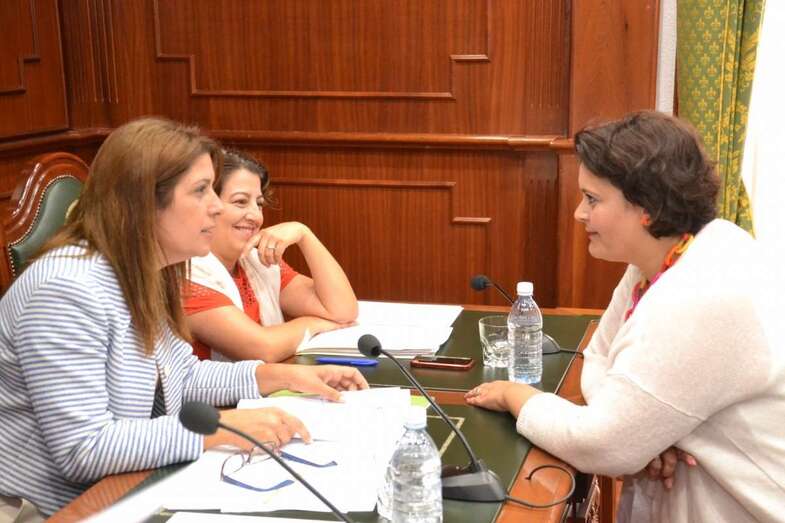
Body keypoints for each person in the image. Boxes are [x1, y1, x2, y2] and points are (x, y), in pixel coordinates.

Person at [0, 118, 368, 519]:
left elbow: (183, 377)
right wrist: (222, 428)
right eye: (200, 190)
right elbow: (83, 449)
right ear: (142, 203)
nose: (216, 205)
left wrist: (281, 377)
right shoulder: (66, 289)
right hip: (49, 509)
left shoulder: (148, 270)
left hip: (129, 483)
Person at [465, 111, 785, 522]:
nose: (579, 213)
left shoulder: (699, 295)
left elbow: (600, 444)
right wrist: (645, 433)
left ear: (647, 208)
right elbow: (598, 359)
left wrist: (516, 397)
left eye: (593, 199)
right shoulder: (662, 259)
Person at [184, 149, 358, 362]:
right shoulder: (186, 274)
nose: (256, 216)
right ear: (208, 205)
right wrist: (314, 324)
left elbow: (342, 310)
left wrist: (304, 234)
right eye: (240, 202)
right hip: (214, 395)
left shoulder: (254, 261)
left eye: (258, 203)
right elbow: (262, 349)